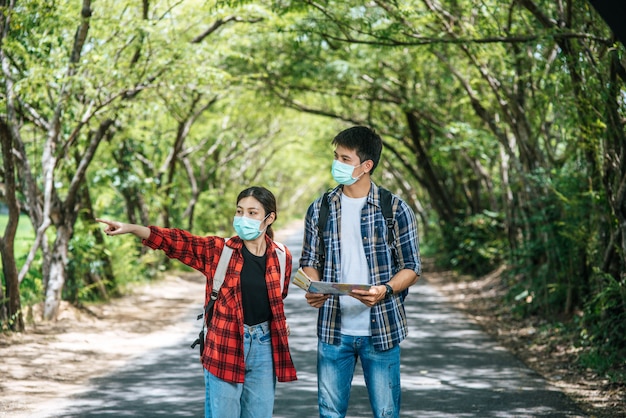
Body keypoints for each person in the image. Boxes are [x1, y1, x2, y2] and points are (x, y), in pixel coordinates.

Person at [97, 186, 297, 418]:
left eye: (252, 213)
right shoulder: (219, 250)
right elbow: (178, 242)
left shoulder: (281, 255)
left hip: (264, 346)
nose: (243, 218)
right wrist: (133, 229)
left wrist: (279, 322)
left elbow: (276, 298)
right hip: (225, 342)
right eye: (240, 211)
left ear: (269, 218)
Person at [299, 126, 421, 418]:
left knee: (386, 413)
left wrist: (386, 289)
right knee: (330, 414)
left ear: (366, 166)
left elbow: (412, 266)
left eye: (345, 158)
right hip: (333, 330)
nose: (337, 164)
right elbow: (310, 260)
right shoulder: (321, 208)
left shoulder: (395, 209)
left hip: (382, 329)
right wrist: (313, 288)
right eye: (336, 157)